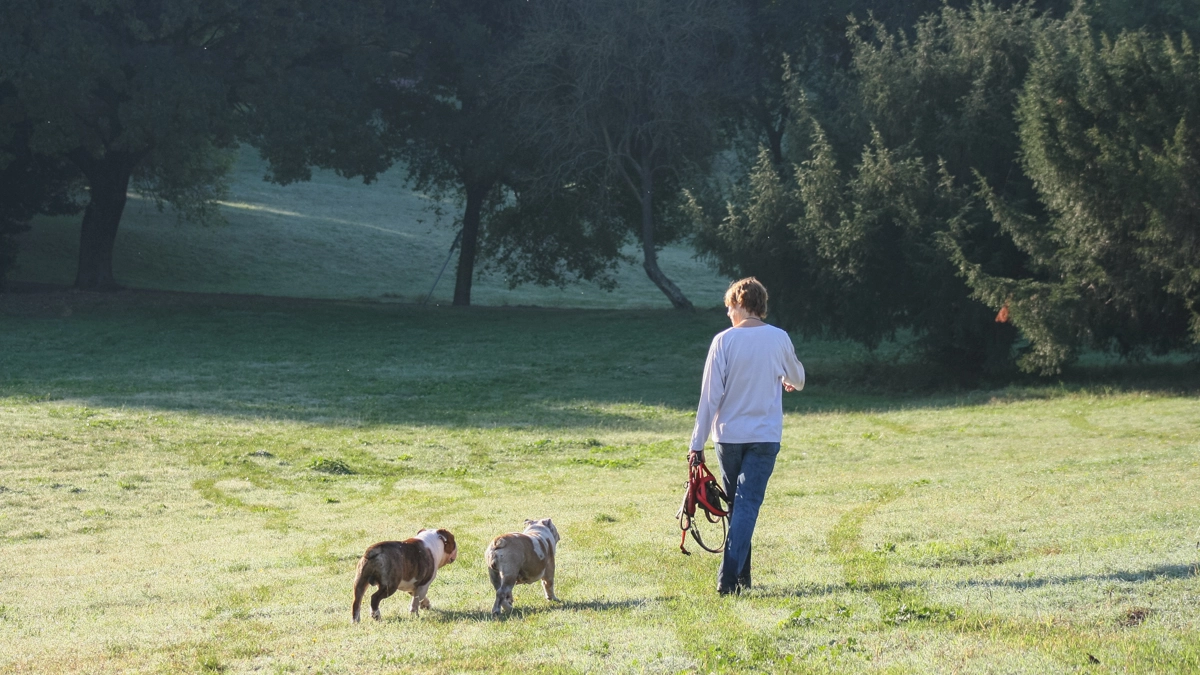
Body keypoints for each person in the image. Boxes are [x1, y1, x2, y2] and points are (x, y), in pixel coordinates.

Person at [688, 277, 805, 595]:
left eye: (729, 306)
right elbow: (799, 378)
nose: (728, 313)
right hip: (765, 436)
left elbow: (709, 397)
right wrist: (785, 378)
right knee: (746, 506)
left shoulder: (723, 342)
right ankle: (737, 578)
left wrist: (696, 445)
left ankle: (732, 579)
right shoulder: (778, 338)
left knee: (740, 507)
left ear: (741, 303)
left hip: (728, 436)